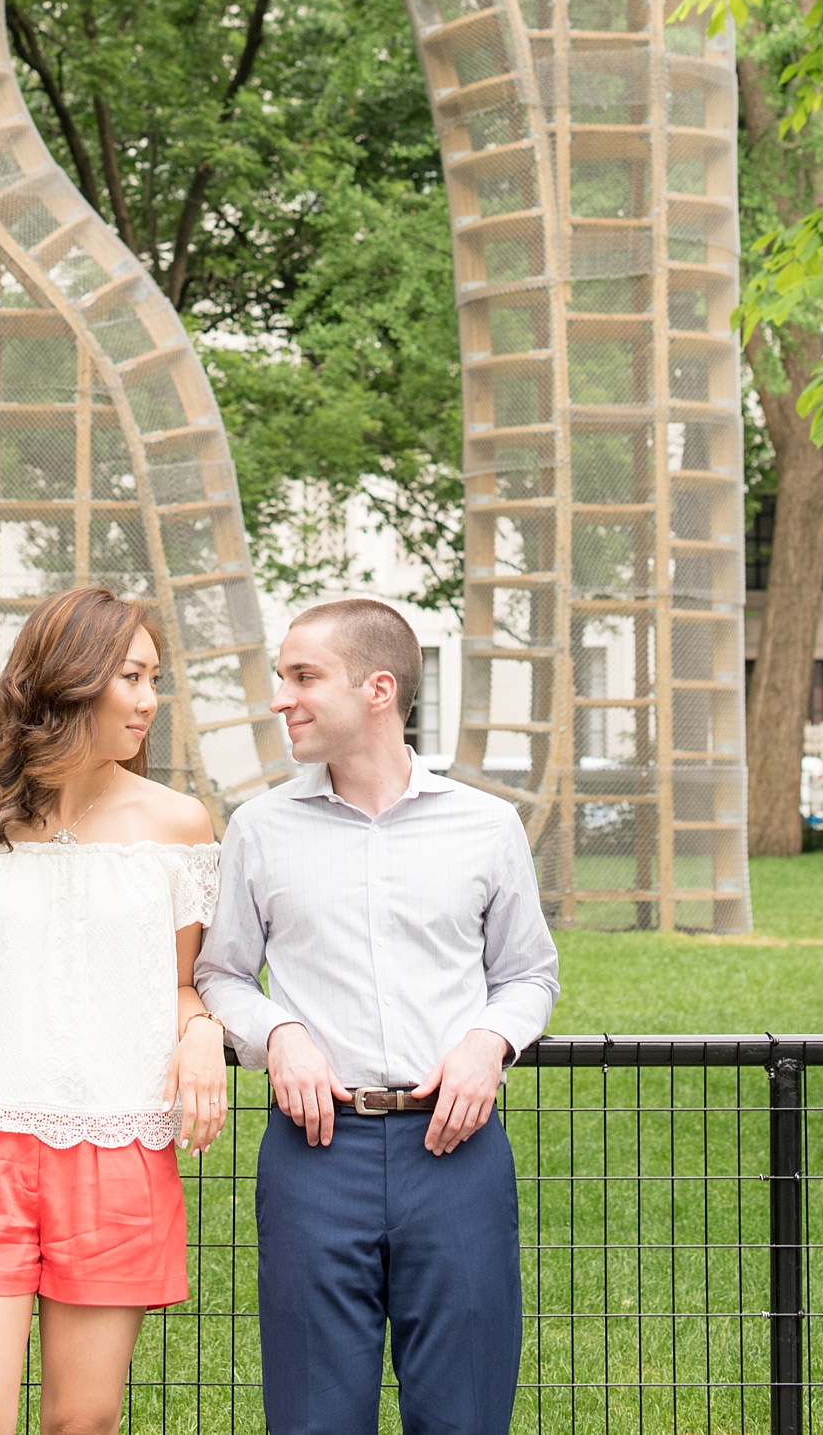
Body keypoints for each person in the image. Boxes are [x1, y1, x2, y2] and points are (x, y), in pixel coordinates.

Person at [196, 598, 559, 1435]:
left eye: (302, 676)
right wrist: (277, 1032)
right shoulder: (258, 828)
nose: (280, 697)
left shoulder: (486, 825)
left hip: (457, 1153)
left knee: (464, 1417)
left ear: (378, 688)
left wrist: (489, 1039)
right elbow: (218, 973)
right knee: (314, 1418)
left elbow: (528, 973)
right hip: (314, 1152)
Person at [0, 586, 226, 1435]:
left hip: (120, 1148)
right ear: (71, 680)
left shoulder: (180, 825)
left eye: (155, 678)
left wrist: (205, 1031)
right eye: (132, 676)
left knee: (85, 1421)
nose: (150, 699)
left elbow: (185, 982)